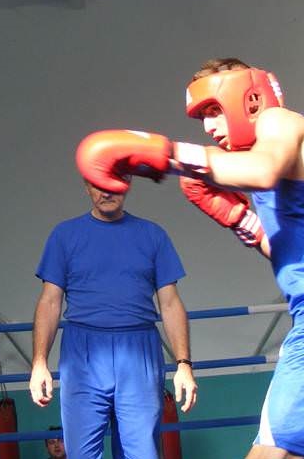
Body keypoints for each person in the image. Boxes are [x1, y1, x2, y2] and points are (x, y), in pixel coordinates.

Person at [75, 58, 304, 459]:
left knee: (270, 455)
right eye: (202, 119)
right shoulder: (291, 177)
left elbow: (260, 170)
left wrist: (164, 154)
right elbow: (288, 249)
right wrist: (240, 219)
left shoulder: (280, 122)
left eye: (214, 110)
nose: (209, 127)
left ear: (248, 98)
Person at [29, 178, 197, 459]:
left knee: (142, 453)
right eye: (98, 184)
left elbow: (170, 303)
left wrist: (184, 364)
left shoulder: (152, 235)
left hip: (138, 350)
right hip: (82, 351)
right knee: (81, 454)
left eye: (114, 183)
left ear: (127, 184)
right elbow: (49, 301)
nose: (106, 191)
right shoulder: (65, 235)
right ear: (86, 187)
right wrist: (39, 363)